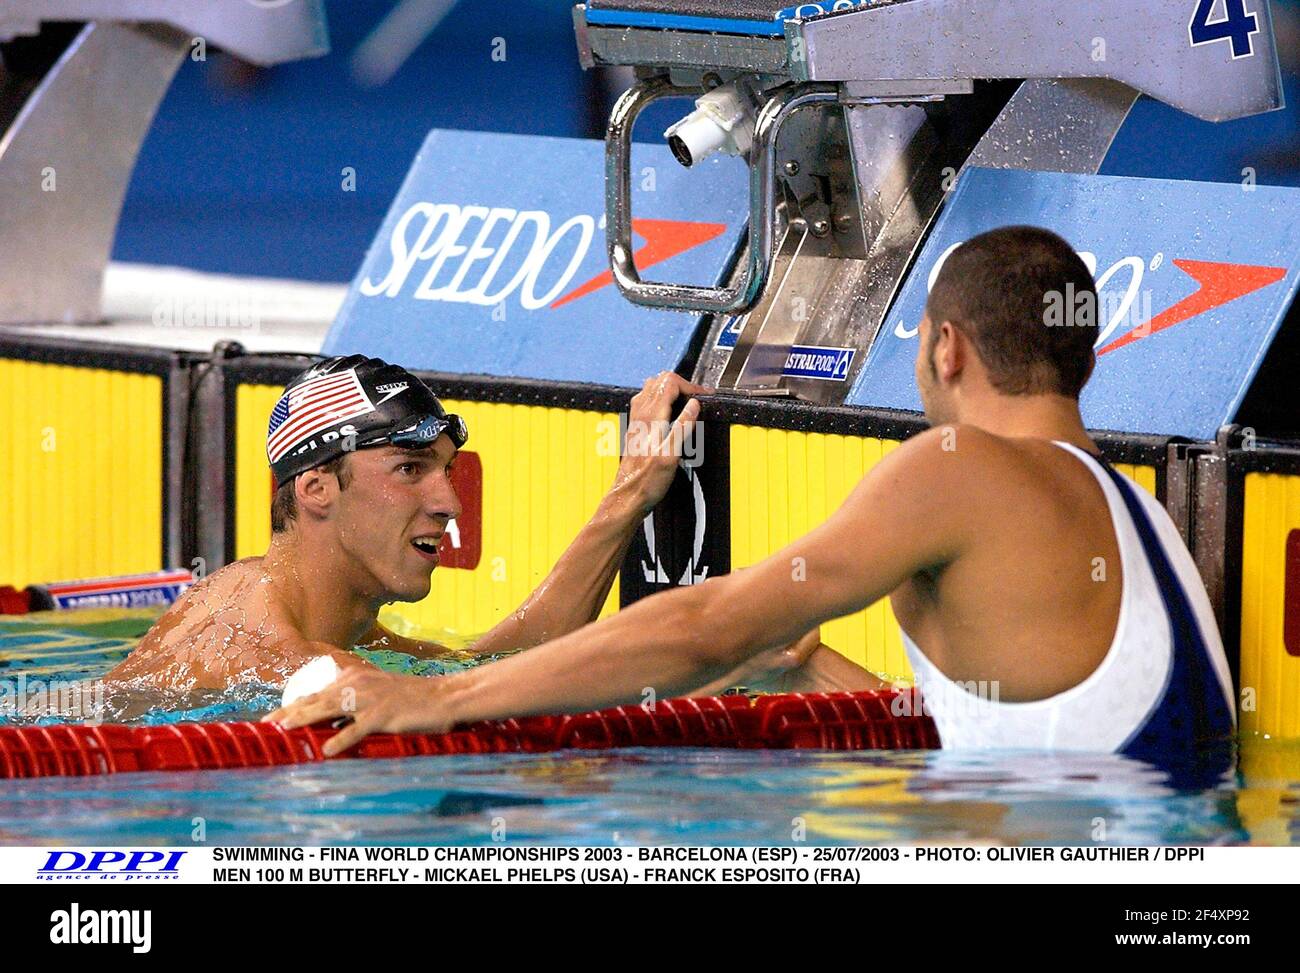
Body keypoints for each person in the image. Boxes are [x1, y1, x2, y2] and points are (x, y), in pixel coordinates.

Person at [269, 226, 1236, 757]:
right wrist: (813, 671)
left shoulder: (962, 467)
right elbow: (1034, 740)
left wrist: (437, 704)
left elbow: (706, 627)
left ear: (948, 348)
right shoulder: (1137, 513)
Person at [105, 356, 834, 692]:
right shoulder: (273, 646)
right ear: (318, 485)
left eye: (447, 470)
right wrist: (699, 648)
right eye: (409, 468)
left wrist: (631, 491)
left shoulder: (330, 625)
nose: (450, 501)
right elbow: (472, 710)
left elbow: (479, 671)